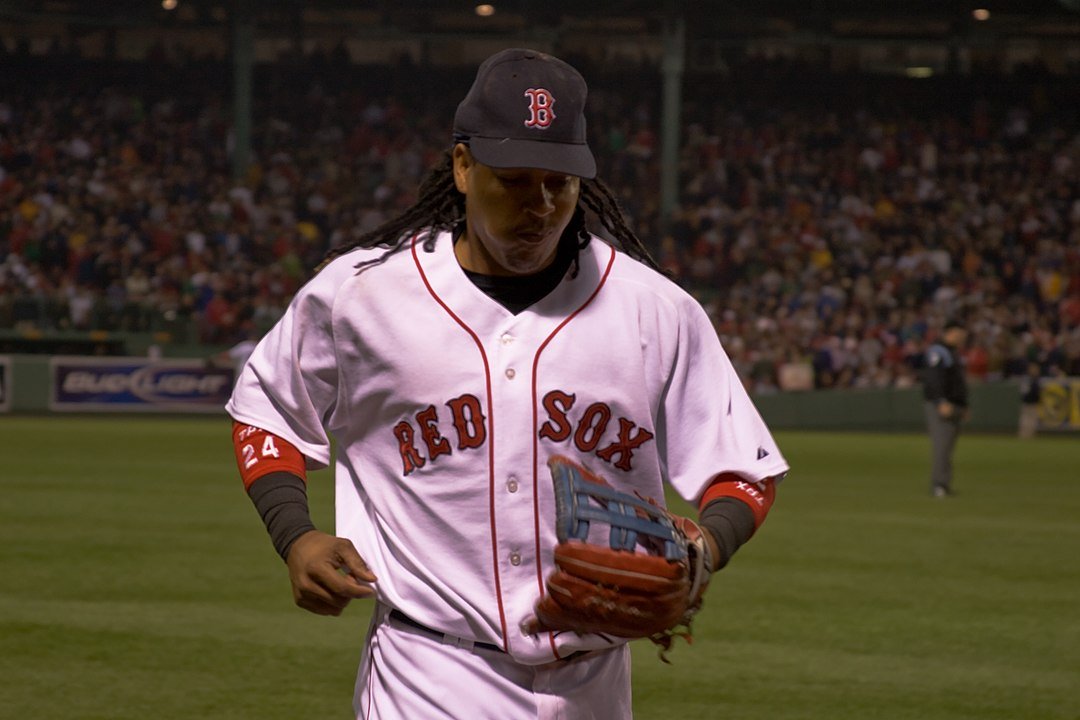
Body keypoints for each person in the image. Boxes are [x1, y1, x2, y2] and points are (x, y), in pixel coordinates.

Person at [225, 48, 789, 719]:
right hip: (427, 672)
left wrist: (707, 547)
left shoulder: (654, 310)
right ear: (464, 167)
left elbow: (745, 469)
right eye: (516, 181)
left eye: (559, 182)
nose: (541, 205)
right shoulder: (361, 295)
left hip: (594, 683)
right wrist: (297, 534)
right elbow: (268, 413)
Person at [921, 320, 969, 497]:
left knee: (947, 447)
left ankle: (944, 483)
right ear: (951, 331)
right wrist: (940, 401)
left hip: (954, 404)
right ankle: (939, 485)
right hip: (942, 405)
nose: (963, 336)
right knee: (942, 446)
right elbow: (934, 378)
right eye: (960, 332)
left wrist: (963, 405)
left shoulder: (952, 352)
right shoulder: (938, 351)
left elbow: (958, 384)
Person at [1017, 361, 1043, 439]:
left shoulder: (1030, 379)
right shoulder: (1029, 379)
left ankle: (1027, 434)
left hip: (1030, 401)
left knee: (1028, 419)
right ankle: (1025, 434)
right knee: (1027, 419)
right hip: (1029, 402)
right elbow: (1028, 391)